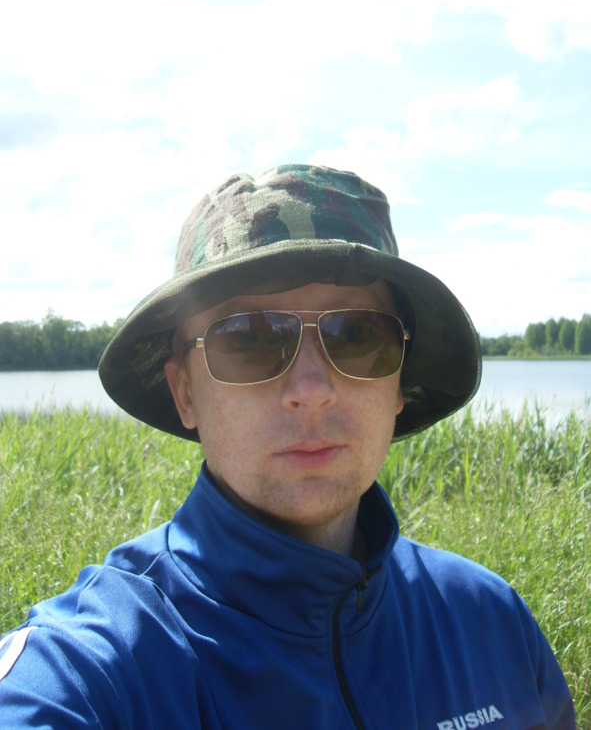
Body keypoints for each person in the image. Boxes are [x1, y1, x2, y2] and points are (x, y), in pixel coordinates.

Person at [0, 165, 576, 729]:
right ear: (185, 393)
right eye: (248, 338)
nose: (312, 389)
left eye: (358, 334)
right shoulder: (95, 670)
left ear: (400, 381)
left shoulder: (489, 622)